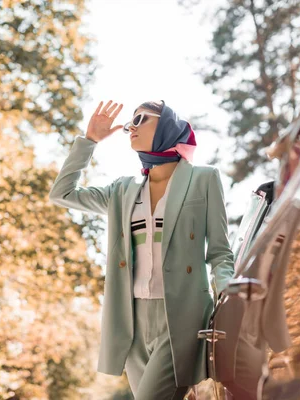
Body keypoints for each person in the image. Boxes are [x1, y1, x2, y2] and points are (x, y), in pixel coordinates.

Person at [49, 100, 235, 399]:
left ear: (167, 125)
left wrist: (230, 299)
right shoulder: (122, 190)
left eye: (140, 118)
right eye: (129, 124)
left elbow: (219, 252)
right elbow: (63, 193)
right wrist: (89, 141)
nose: (131, 127)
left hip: (182, 317)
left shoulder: (203, 179)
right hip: (130, 322)